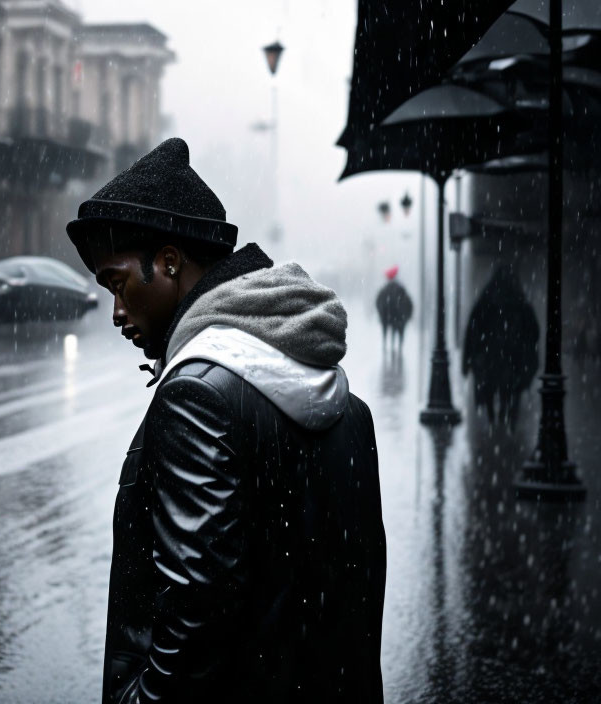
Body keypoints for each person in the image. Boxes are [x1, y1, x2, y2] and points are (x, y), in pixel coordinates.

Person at [66, 138, 386, 704]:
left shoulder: (197, 394)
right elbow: (357, 593)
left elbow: (196, 615)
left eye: (118, 283)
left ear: (168, 262)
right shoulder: (344, 400)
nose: (115, 312)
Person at [462, 265, 539, 428]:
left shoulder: (486, 300)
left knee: (490, 388)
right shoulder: (520, 302)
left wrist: (468, 358)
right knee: (511, 387)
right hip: (513, 355)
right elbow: (533, 331)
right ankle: (507, 416)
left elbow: (473, 330)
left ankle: (493, 420)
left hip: (491, 356)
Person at [375, 266, 413, 352]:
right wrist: (406, 315)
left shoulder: (385, 290)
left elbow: (378, 302)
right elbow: (408, 303)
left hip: (387, 316)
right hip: (398, 317)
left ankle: (387, 345)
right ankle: (399, 346)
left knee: (387, 331)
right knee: (399, 332)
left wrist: (381, 313)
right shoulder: (400, 289)